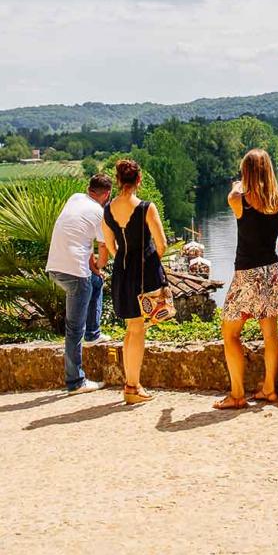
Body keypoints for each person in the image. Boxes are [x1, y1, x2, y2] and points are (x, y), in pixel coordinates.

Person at [215, 148, 278, 410]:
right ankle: (269, 388)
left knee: (230, 333)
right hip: (271, 271)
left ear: (246, 172)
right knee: (271, 334)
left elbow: (235, 191)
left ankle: (237, 394)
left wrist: (240, 183)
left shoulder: (239, 199)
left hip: (246, 272)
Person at [102, 158, 168, 405]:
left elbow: (110, 246)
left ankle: (132, 383)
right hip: (143, 272)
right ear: (138, 180)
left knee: (131, 328)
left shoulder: (108, 210)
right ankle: (132, 386)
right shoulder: (146, 208)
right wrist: (151, 262)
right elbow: (161, 244)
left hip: (122, 270)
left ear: (118, 180)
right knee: (138, 329)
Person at [47, 174, 113, 395]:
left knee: (95, 281)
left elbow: (77, 239)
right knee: (74, 330)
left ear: (88, 189)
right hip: (75, 274)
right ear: (107, 195)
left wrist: (95, 271)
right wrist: (101, 265)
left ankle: (93, 333)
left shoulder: (75, 198)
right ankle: (75, 381)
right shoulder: (99, 213)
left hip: (55, 268)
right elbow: (103, 248)